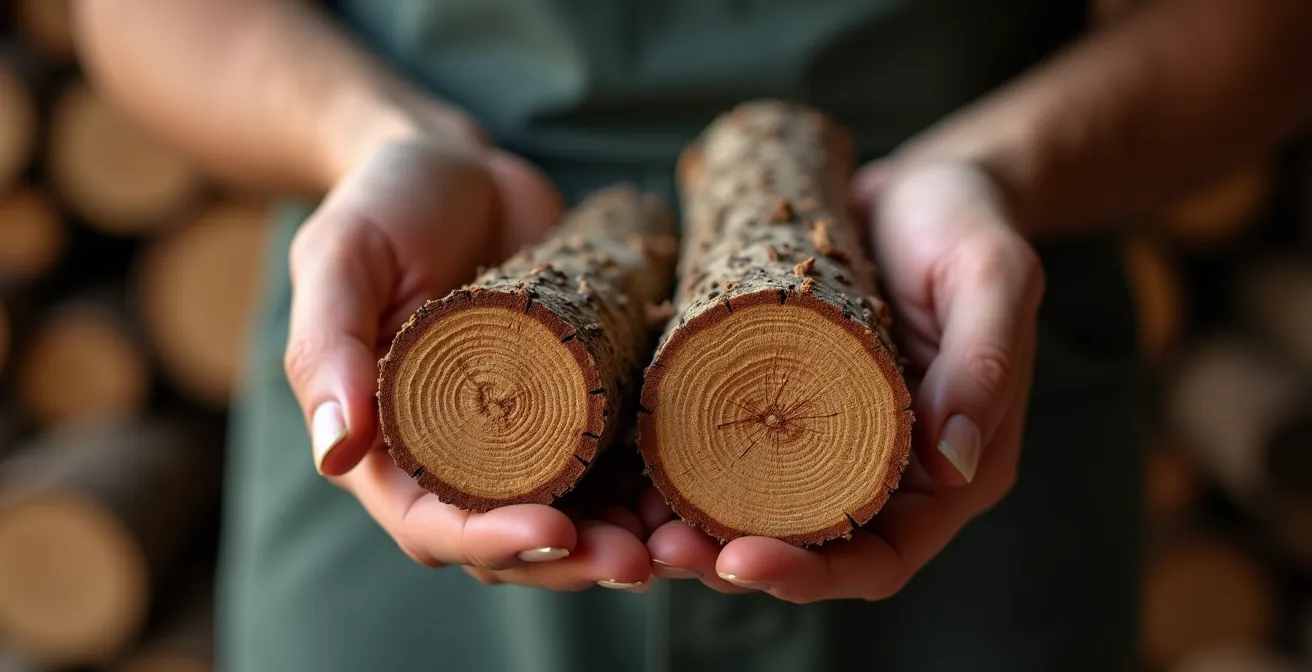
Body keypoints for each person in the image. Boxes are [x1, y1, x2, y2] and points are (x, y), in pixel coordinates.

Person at [76, 1, 1312, 670]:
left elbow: (1259, 29)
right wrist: (376, 137)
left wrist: (995, 169)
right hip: (438, 313)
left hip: (929, 339)